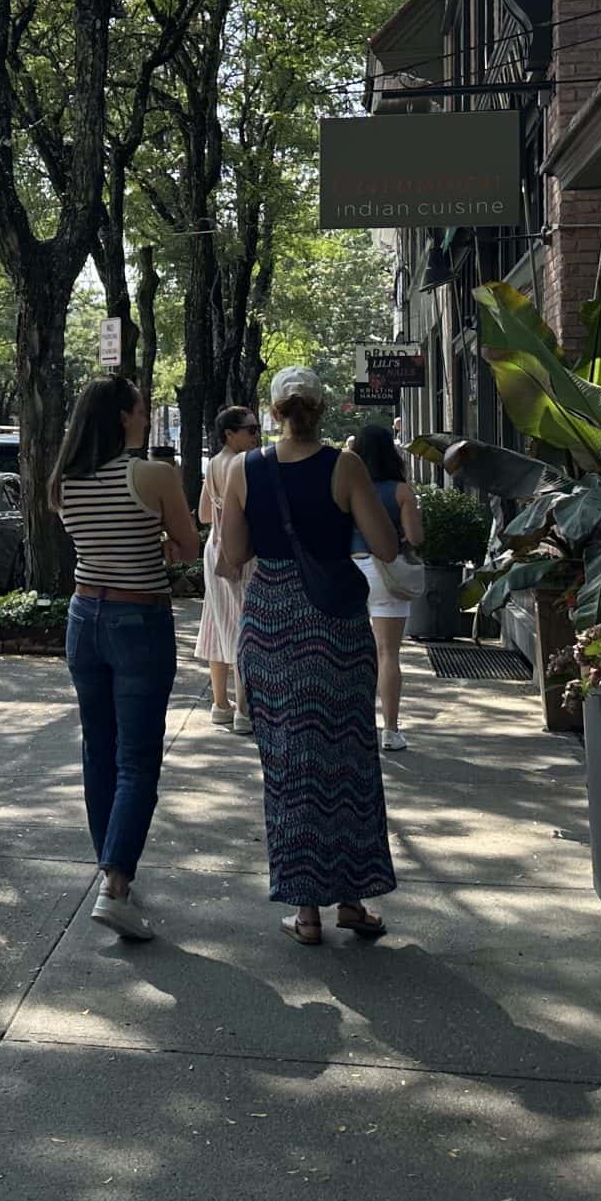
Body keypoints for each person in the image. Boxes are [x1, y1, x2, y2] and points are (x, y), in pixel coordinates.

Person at [217, 367, 402, 945]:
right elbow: (386, 546)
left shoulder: (246, 469)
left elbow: (232, 558)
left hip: (271, 622)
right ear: (321, 410)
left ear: (273, 414)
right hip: (338, 626)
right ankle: (352, 899)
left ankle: (306, 913)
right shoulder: (345, 466)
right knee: (347, 759)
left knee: (288, 765)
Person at [53, 374, 201, 942]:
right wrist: (157, 539)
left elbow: (89, 544)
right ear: (122, 416)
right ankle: (115, 885)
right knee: (138, 759)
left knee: (99, 748)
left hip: (83, 616)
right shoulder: (154, 474)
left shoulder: (64, 480)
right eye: (140, 408)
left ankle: (110, 869)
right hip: (139, 619)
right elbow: (187, 548)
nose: (145, 415)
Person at [347, 423, 424, 752]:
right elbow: (417, 537)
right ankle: (390, 731)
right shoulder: (401, 491)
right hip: (386, 571)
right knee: (388, 654)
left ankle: (352, 726)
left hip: (349, 568)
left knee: (350, 654)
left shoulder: (347, 485)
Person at [195, 405, 264, 731]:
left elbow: (204, 515)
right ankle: (245, 711)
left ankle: (221, 703)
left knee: (216, 621)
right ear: (229, 434)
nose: (256, 435)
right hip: (240, 552)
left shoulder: (213, 466)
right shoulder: (243, 464)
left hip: (215, 549)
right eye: (250, 429)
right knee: (243, 627)